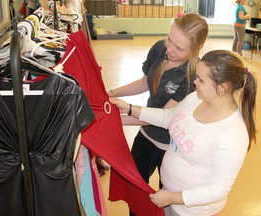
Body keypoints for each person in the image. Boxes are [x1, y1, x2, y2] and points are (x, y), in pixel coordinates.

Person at [110, 49, 257, 216]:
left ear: (222, 88)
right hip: (170, 198)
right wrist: (130, 109)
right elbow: (168, 117)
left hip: (192, 211)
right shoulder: (196, 98)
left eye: (201, 80)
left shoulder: (233, 134)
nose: (195, 82)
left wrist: (172, 197)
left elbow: (217, 190)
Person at [107, 13, 208, 193]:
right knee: (134, 189)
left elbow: (162, 117)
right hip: (146, 134)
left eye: (179, 48)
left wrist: (114, 118)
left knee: (166, 194)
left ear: (197, 48)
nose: (169, 49)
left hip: (171, 146)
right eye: (170, 39)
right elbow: (145, 82)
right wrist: (111, 93)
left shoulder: (192, 76)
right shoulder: (160, 48)